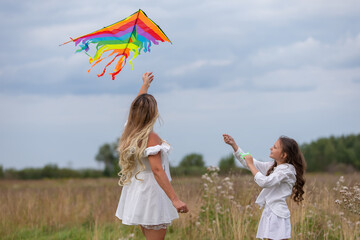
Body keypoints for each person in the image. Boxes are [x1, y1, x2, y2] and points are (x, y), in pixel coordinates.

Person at [116, 72, 189, 240]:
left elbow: (136, 107)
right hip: (152, 193)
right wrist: (175, 200)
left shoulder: (130, 132)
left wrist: (145, 85)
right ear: (153, 113)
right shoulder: (151, 138)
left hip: (138, 189)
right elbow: (157, 170)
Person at [223, 134, 306, 240]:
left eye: (275, 147)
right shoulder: (275, 167)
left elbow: (265, 182)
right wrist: (234, 145)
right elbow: (249, 163)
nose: (271, 148)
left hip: (277, 214)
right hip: (270, 211)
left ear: (284, 155)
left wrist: (251, 165)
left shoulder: (286, 171)